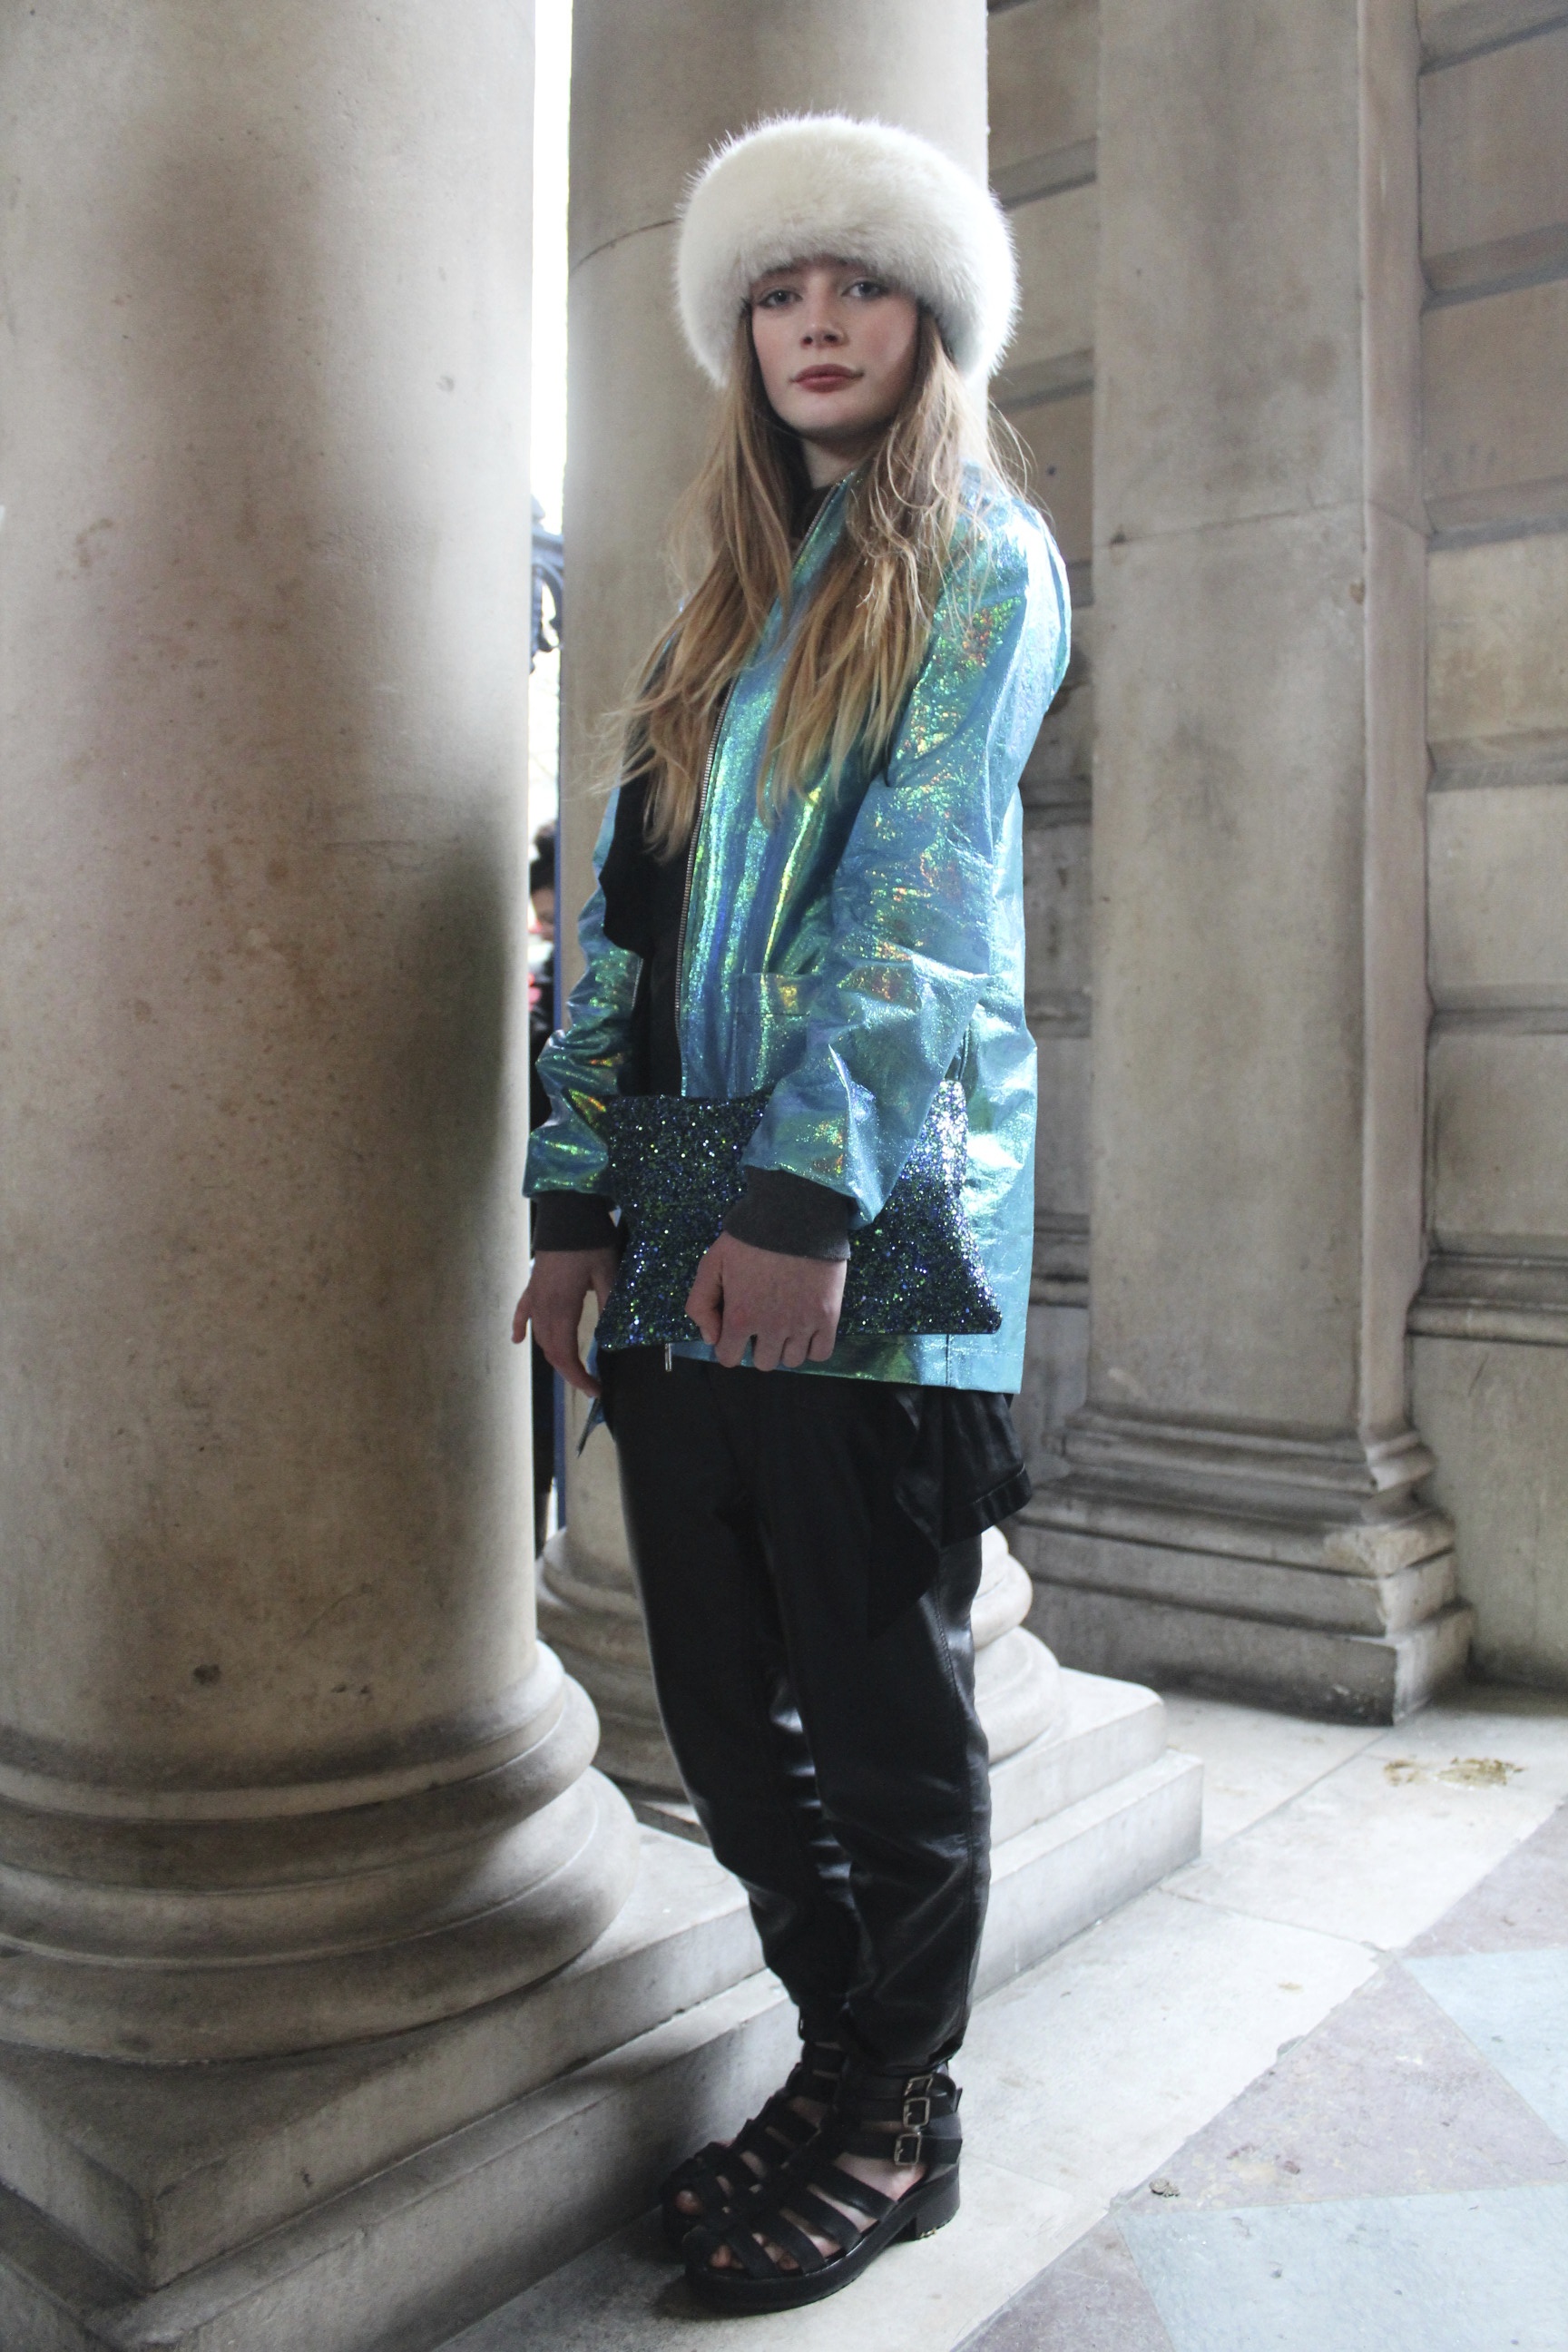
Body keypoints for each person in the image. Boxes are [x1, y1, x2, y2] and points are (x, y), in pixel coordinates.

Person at [512, 113, 1069, 2314]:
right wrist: (575, 1202)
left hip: (870, 1214)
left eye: (858, 283)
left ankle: (896, 2108)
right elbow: (626, 938)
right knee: (729, 1715)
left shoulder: (984, 561)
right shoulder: (718, 612)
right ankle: (852, 2062)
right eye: (775, 291)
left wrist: (804, 1193)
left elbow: (919, 904)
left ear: (933, 320)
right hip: (678, 1209)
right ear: (739, 335)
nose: (816, 321)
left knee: (879, 1705)